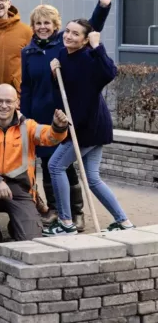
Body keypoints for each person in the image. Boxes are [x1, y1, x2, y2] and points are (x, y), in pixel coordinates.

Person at [20, 0, 113, 231]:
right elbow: (26, 86)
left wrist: (103, 6)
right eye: (38, 23)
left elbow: (90, 29)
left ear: (55, 26)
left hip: (62, 114)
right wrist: (26, 118)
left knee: (63, 165)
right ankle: (55, 210)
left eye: (47, 23)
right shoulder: (27, 52)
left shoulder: (63, 46)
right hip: (39, 115)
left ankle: (76, 213)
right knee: (47, 166)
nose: (42, 27)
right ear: (33, 26)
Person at [43, 21, 134, 236]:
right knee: (92, 178)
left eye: (76, 34)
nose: (69, 36)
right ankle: (124, 222)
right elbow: (67, 90)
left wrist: (97, 46)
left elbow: (110, 72)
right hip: (83, 124)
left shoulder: (88, 57)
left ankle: (66, 222)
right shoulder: (64, 55)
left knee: (55, 166)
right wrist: (55, 75)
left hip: (89, 127)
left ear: (85, 40)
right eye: (68, 31)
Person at [0, 84, 69, 251]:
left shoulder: (28, 126)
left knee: (30, 242)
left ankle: (17, 224)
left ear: (16, 103)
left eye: (8, 101)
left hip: (20, 191)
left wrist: (58, 127)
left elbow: (50, 137)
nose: (3, 106)